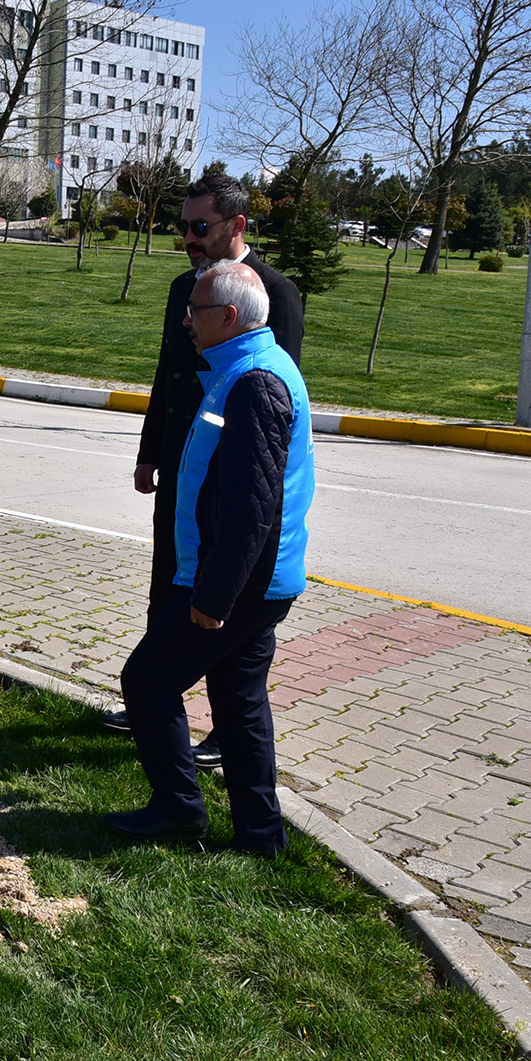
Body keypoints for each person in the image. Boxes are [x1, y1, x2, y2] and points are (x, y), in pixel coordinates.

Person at [105, 260, 313, 858]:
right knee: (239, 702)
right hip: (254, 579)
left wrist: (213, 598)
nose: (185, 323)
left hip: (241, 583)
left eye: (193, 312)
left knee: (147, 681)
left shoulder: (255, 383)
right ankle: (259, 837)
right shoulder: (241, 370)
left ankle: (178, 810)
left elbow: (252, 506)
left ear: (227, 316)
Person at [114, 171, 306, 768]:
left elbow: (266, 403)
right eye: (183, 228)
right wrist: (152, 450)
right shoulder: (183, 288)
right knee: (169, 586)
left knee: (225, 609)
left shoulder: (276, 292)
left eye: (200, 228)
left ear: (237, 224)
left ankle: (221, 731)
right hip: (181, 468)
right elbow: (166, 377)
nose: (188, 239)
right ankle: (158, 697)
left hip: (230, 481)